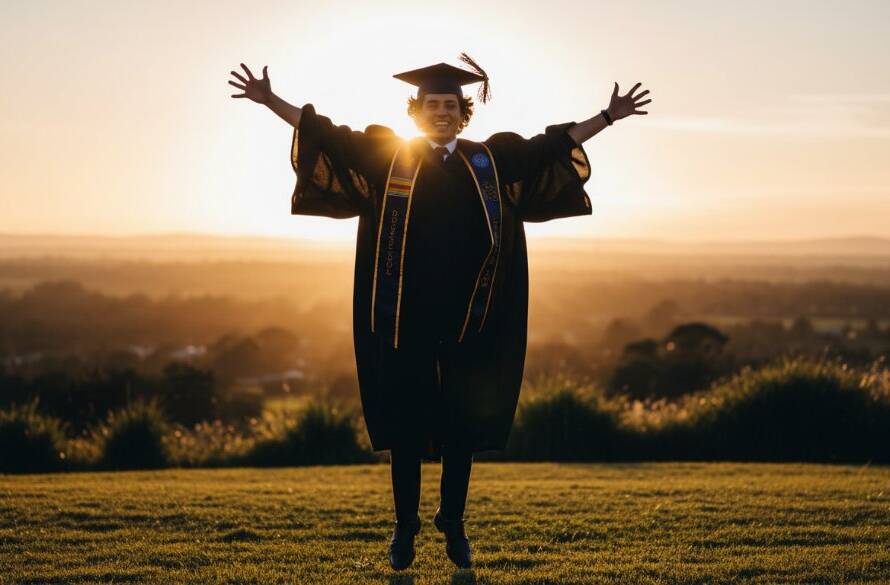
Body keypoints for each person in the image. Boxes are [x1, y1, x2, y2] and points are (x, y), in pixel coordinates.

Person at [228, 55, 651, 571]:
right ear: (417, 111)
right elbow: (327, 135)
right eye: (433, 105)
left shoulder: (488, 161)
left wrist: (607, 117)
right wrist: (271, 100)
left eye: (451, 105)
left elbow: (550, 149)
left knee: (460, 430)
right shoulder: (387, 157)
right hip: (404, 320)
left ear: (463, 112)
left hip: (471, 320)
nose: (442, 113)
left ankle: (453, 523)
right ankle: (404, 529)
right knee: (405, 430)